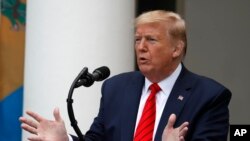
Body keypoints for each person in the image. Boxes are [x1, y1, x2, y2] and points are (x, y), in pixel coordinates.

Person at [19, 10, 231, 141]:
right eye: (138, 39)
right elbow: (97, 139)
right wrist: (67, 140)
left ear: (177, 49)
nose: (141, 47)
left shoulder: (209, 96)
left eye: (151, 40)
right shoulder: (116, 87)